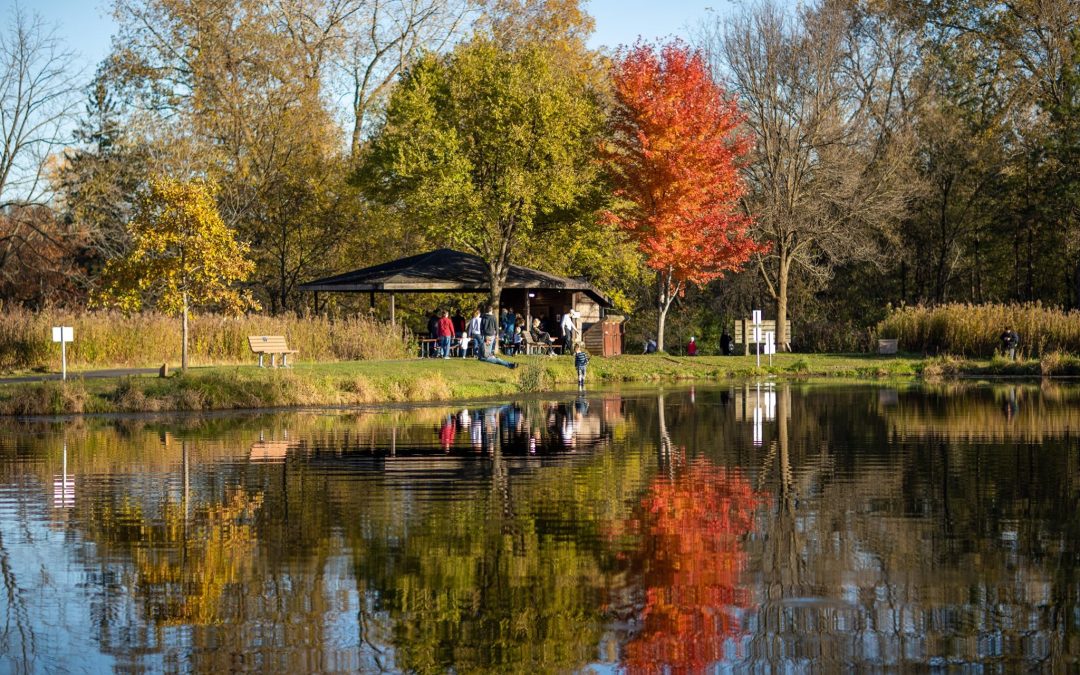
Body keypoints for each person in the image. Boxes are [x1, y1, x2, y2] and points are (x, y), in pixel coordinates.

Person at [478, 305, 516, 369]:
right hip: (491, 335)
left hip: (485, 335)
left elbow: (481, 327)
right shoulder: (493, 317)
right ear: (491, 310)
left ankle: (508, 364)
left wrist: (482, 334)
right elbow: (496, 326)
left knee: (488, 352)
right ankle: (509, 364)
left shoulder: (483, 317)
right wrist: (497, 334)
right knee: (491, 357)